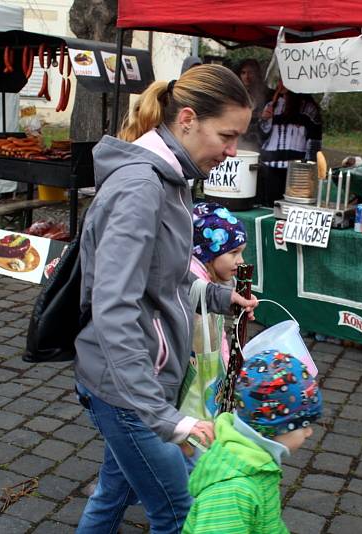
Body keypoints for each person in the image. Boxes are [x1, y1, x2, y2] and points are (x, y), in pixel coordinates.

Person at [74, 64, 257, 534]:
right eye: (227, 136)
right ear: (189, 119)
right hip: (130, 391)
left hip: (137, 383)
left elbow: (164, 280)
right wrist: (163, 416)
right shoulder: (142, 186)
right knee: (179, 512)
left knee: (113, 494)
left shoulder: (173, 178)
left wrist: (219, 297)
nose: (232, 151)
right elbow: (113, 307)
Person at [182, 349, 323, 533]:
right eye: (303, 425)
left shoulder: (257, 464)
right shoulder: (233, 492)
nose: (309, 432)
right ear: (275, 428)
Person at [183, 202, 248, 423]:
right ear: (208, 253)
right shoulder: (194, 283)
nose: (241, 261)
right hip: (187, 384)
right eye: (233, 253)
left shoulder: (210, 279)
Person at [258, 80, 322, 206]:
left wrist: (309, 168)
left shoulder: (309, 109)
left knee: (292, 206)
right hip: (270, 166)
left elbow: (314, 142)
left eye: (283, 80)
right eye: (278, 80)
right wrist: (265, 120)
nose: (279, 84)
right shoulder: (271, 105)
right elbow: (261, 137)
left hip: (296, 170)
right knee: (270, 206)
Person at [236, 59, 268, 151]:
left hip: (259, 143)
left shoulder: (266, 94)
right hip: (239, 140)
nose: (247, 76)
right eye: (243, 73)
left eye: (250, 73)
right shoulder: (236, 94)